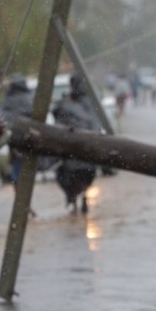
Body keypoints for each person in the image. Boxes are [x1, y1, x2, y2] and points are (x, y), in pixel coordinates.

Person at [51, 77, 100, 214]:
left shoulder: (67, 105)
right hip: (87, 159)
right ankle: (79, 196)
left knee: (63, 175)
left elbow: (58, 126)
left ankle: (72, 198)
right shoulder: (91, 104)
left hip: (72, 160)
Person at [0, 75, 33, 183]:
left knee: (16, 160)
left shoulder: (7, 100)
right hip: (28, 136)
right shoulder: (29, 98)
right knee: (28, 158)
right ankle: (25, 179)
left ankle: (16, 179)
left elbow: (2, 116)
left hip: (12, 137)